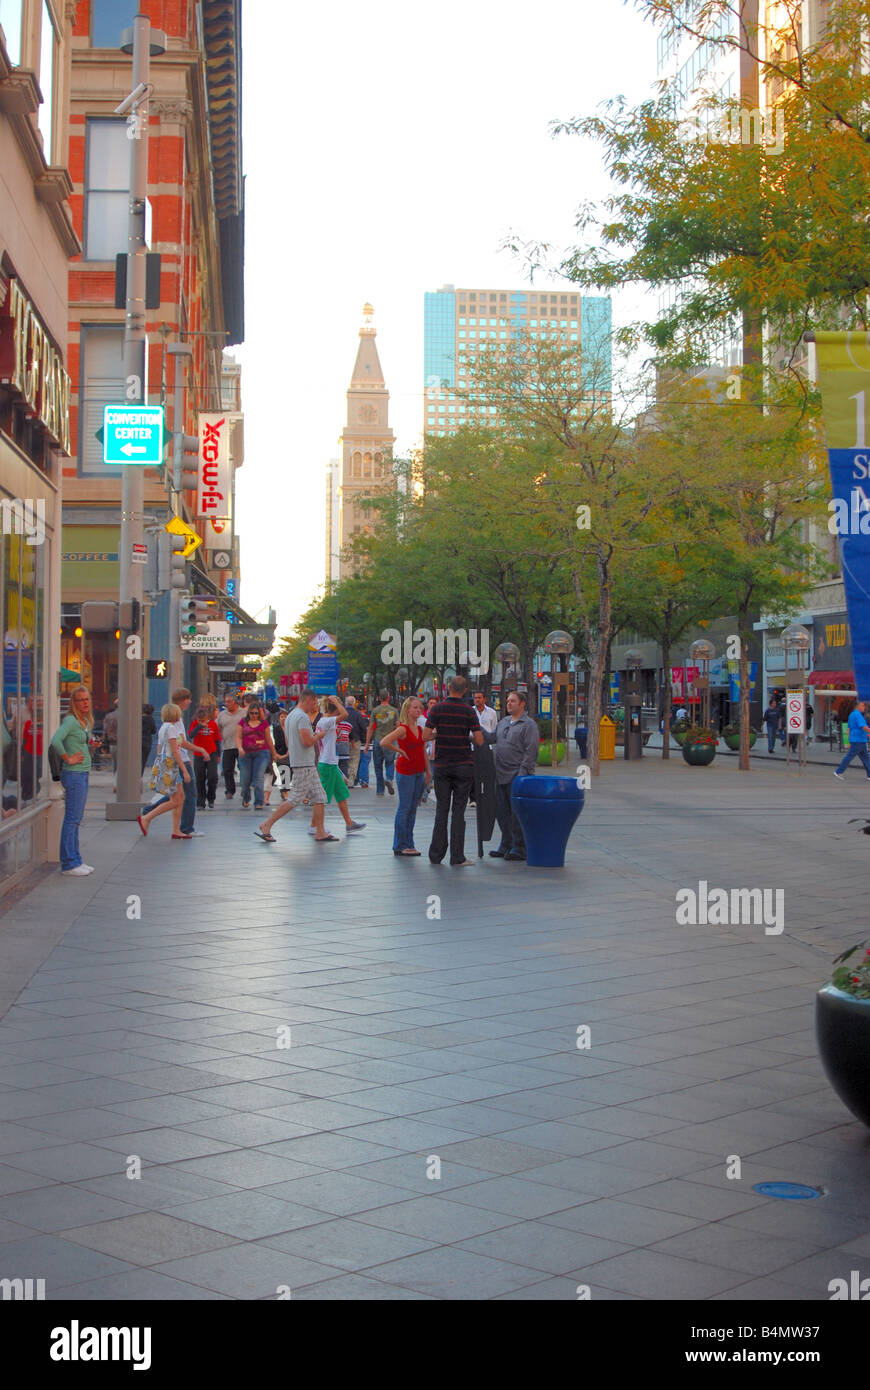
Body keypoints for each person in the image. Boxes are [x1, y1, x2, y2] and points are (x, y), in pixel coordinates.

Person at [254, 689, 337, 843]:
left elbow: (288, 741)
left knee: (320, 797)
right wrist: (319, 735)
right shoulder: (302, 717)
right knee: (295, 798)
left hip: (303, 762)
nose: (315, 706)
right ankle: (266, 825)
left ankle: (320, 831)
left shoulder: (291, 716)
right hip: (304, 763)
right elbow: (307, 742)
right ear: (308, 700)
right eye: (314, 702)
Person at [424, 674, 484, 867]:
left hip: (442, 766)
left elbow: (426, 735)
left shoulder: (437, 709)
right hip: (463, 766)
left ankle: (436, 854)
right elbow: (480, 740)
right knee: (459, 811)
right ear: (465, 690)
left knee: (441, 810)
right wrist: (466, 737)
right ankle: (457, 856)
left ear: (448, 688)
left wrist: (440, 733)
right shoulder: (469, 711)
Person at [486, 691, 540, 861]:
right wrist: (473, 728)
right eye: (507, 700)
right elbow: (490, 738)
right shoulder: (503, 722)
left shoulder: (528, 725)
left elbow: (531, 752)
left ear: (522, 704)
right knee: (502, 813)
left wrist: (521, 775)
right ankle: (506, 845)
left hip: (517, 776)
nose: (508, 703)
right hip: (500, 775)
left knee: (517, 815)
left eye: (513, 701)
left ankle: (519, 848)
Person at [49, 685, 94, 875]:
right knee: (72, 819)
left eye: (87, 699)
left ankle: (75, 859)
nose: (85, 703)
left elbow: (80, 743)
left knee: (76, 819)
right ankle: (69, 863)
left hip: (83, 772)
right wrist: (68, 758)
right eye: (81, 700)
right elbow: (55, 741)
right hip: (74, 773)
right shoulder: (70, 721)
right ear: (74, 703)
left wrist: (92, 746)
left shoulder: (84, 722)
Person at [306, 695, 365, 836]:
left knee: (341, 794)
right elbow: (345, 714)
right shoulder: (327, 720)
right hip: (327, 763)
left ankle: (349, 823)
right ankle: (314, 825)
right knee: (322, 798)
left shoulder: (324, 721)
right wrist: (336, 702)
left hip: (330, 762)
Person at [379, 696, 431, 855]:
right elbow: (384, 742)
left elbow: (423, 750)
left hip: (418, 772)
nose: (418, 710)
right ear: (407, 710)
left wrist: (428, 771)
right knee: (405, 807)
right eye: (415, 707)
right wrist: (399, 751)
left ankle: (409, 842)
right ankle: (401, 844)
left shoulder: (420, 729)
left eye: (420, 708)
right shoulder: (403, 728)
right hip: (406, 772)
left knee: (413, 808)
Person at [137, 702, 191, 838]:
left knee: (180, 797)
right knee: (176, 800)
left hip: (166, 765)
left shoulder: (163, 728)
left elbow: (160, 749)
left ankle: (176, 829)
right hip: (172, 766)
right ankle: (147, 818)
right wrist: (184, 770)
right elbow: (175, 751)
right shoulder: (172, 729)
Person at [171, 688, 208, 837]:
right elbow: (181, 742)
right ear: (181, 700)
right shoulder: (177, 718)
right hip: (181, 759)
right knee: (190, 794)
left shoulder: (174, 717)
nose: (190, 701)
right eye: (188, 698)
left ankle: (147, 815)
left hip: (179, 758)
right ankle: (187, 827)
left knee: (175, 794)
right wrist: (200, 749)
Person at [235, 698, 277, 811]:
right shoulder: (242, 722)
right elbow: (238, 736)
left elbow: (269, 739)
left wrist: (274, 754)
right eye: (252, 713)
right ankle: (246, 796)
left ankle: (259, 801)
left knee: (258, 777)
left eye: (256, 713)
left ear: (260, 713)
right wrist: (239, 748)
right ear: (248, 713)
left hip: (261, 753)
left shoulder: (264, 723)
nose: (254, 715)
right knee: (245, 779)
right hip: (246, 753)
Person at [364, 691, 399, 795]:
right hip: (390, 740)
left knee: (378, 765)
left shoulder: (375, 710)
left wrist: (367, 743)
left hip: (378, 740)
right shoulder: (394, 711)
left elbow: (370, 728)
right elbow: (398, 727)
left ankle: (380, 789)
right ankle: (389, 778)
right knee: (390, 762)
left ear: (379, 698)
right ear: (388, 697)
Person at [190, 704, 220, 809]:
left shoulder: (213, 725)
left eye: (204, 720)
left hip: (212, 753)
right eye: (200, 720)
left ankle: (211, 798)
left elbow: (217, 740)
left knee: (213, 777)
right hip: (198, 754)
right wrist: (199, 726)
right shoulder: (195, 724)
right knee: (199, 778)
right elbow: (190, 735)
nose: (203, 722)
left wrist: (218, 755)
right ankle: (200, 801)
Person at [834, 699, 870, 780]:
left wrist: (849, 740)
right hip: (859, 740)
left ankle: (869, 775)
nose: (864, 707)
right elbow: (863, 727)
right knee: (850, 756)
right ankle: (838, 771)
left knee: (865, 758)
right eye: (862, 705)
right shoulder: (858, 715)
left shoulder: (852, 715)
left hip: (857, 740)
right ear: (857, 706)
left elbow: (848, 729)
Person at [218, 693, 244, 798]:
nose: (226, 704)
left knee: (244, 768)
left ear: (235, 702)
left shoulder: (243, 713)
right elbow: (217, 727)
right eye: (226, 702)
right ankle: (230, 790)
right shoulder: (222, 715)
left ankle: (245, 789)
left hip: (241, 746)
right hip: (227, 746)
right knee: (227, 769)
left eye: (229, 701)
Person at [344, 695, 368, 787]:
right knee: (354, 761)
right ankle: (350, 781)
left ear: (346, 703)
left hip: (343, 741)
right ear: (354, 703)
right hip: (355, 741)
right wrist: (361, 738)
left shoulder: (341, 713)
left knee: (343, 762)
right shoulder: (358, 714)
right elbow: (363, 728)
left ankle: (343, 780)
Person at [102, 699, 119, 772]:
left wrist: (105, 745)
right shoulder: (128, 716)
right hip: (126, 744)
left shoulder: (109, 716)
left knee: (115, 766)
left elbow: (105, 731)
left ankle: (117, 781)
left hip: (113, 743)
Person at [141, 703, 157, 773]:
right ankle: (140, 775)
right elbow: (154, 731)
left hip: (138, 740)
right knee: (143, 760)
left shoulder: (139, 718)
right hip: (147, 741)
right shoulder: (151, 719)